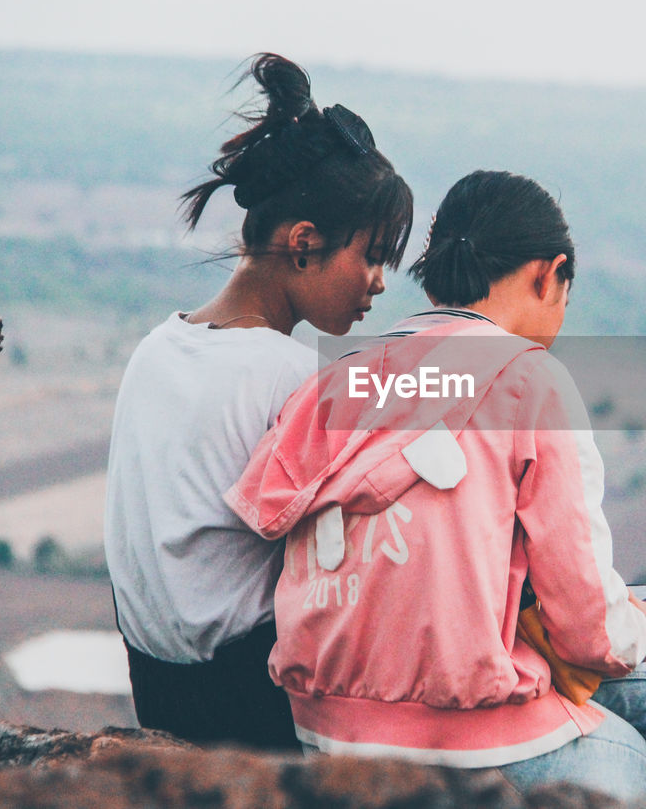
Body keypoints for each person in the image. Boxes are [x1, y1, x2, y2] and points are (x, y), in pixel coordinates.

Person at [225, 170, 646, 796]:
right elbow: (589, 631)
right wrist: (638, 627)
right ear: (549, 275)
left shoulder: (337, 378)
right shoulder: (530, 382)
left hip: (326, 728)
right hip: (468, 732)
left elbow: (270, 508)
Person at [103, 52, 413, 749]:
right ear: (304, 244)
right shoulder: (294, 377)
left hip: (156, 685)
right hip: (255, 707)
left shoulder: (155, 350)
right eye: (371, 256)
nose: (379, 283)